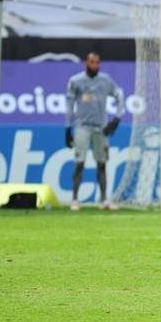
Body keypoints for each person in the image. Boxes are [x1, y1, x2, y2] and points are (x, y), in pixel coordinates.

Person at [64, 52, 125, 211]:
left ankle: (104, 200)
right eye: (92, 62)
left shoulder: (105, 80)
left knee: (102, 163)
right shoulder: (76, 81)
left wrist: (116, 119)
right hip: (82, 127)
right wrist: (67, 128)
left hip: (101, 128)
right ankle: (75, 200)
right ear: (86, 63)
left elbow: (120, 95)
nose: (95, 65)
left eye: (97, 62)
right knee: (79, 163)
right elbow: (69, 105)